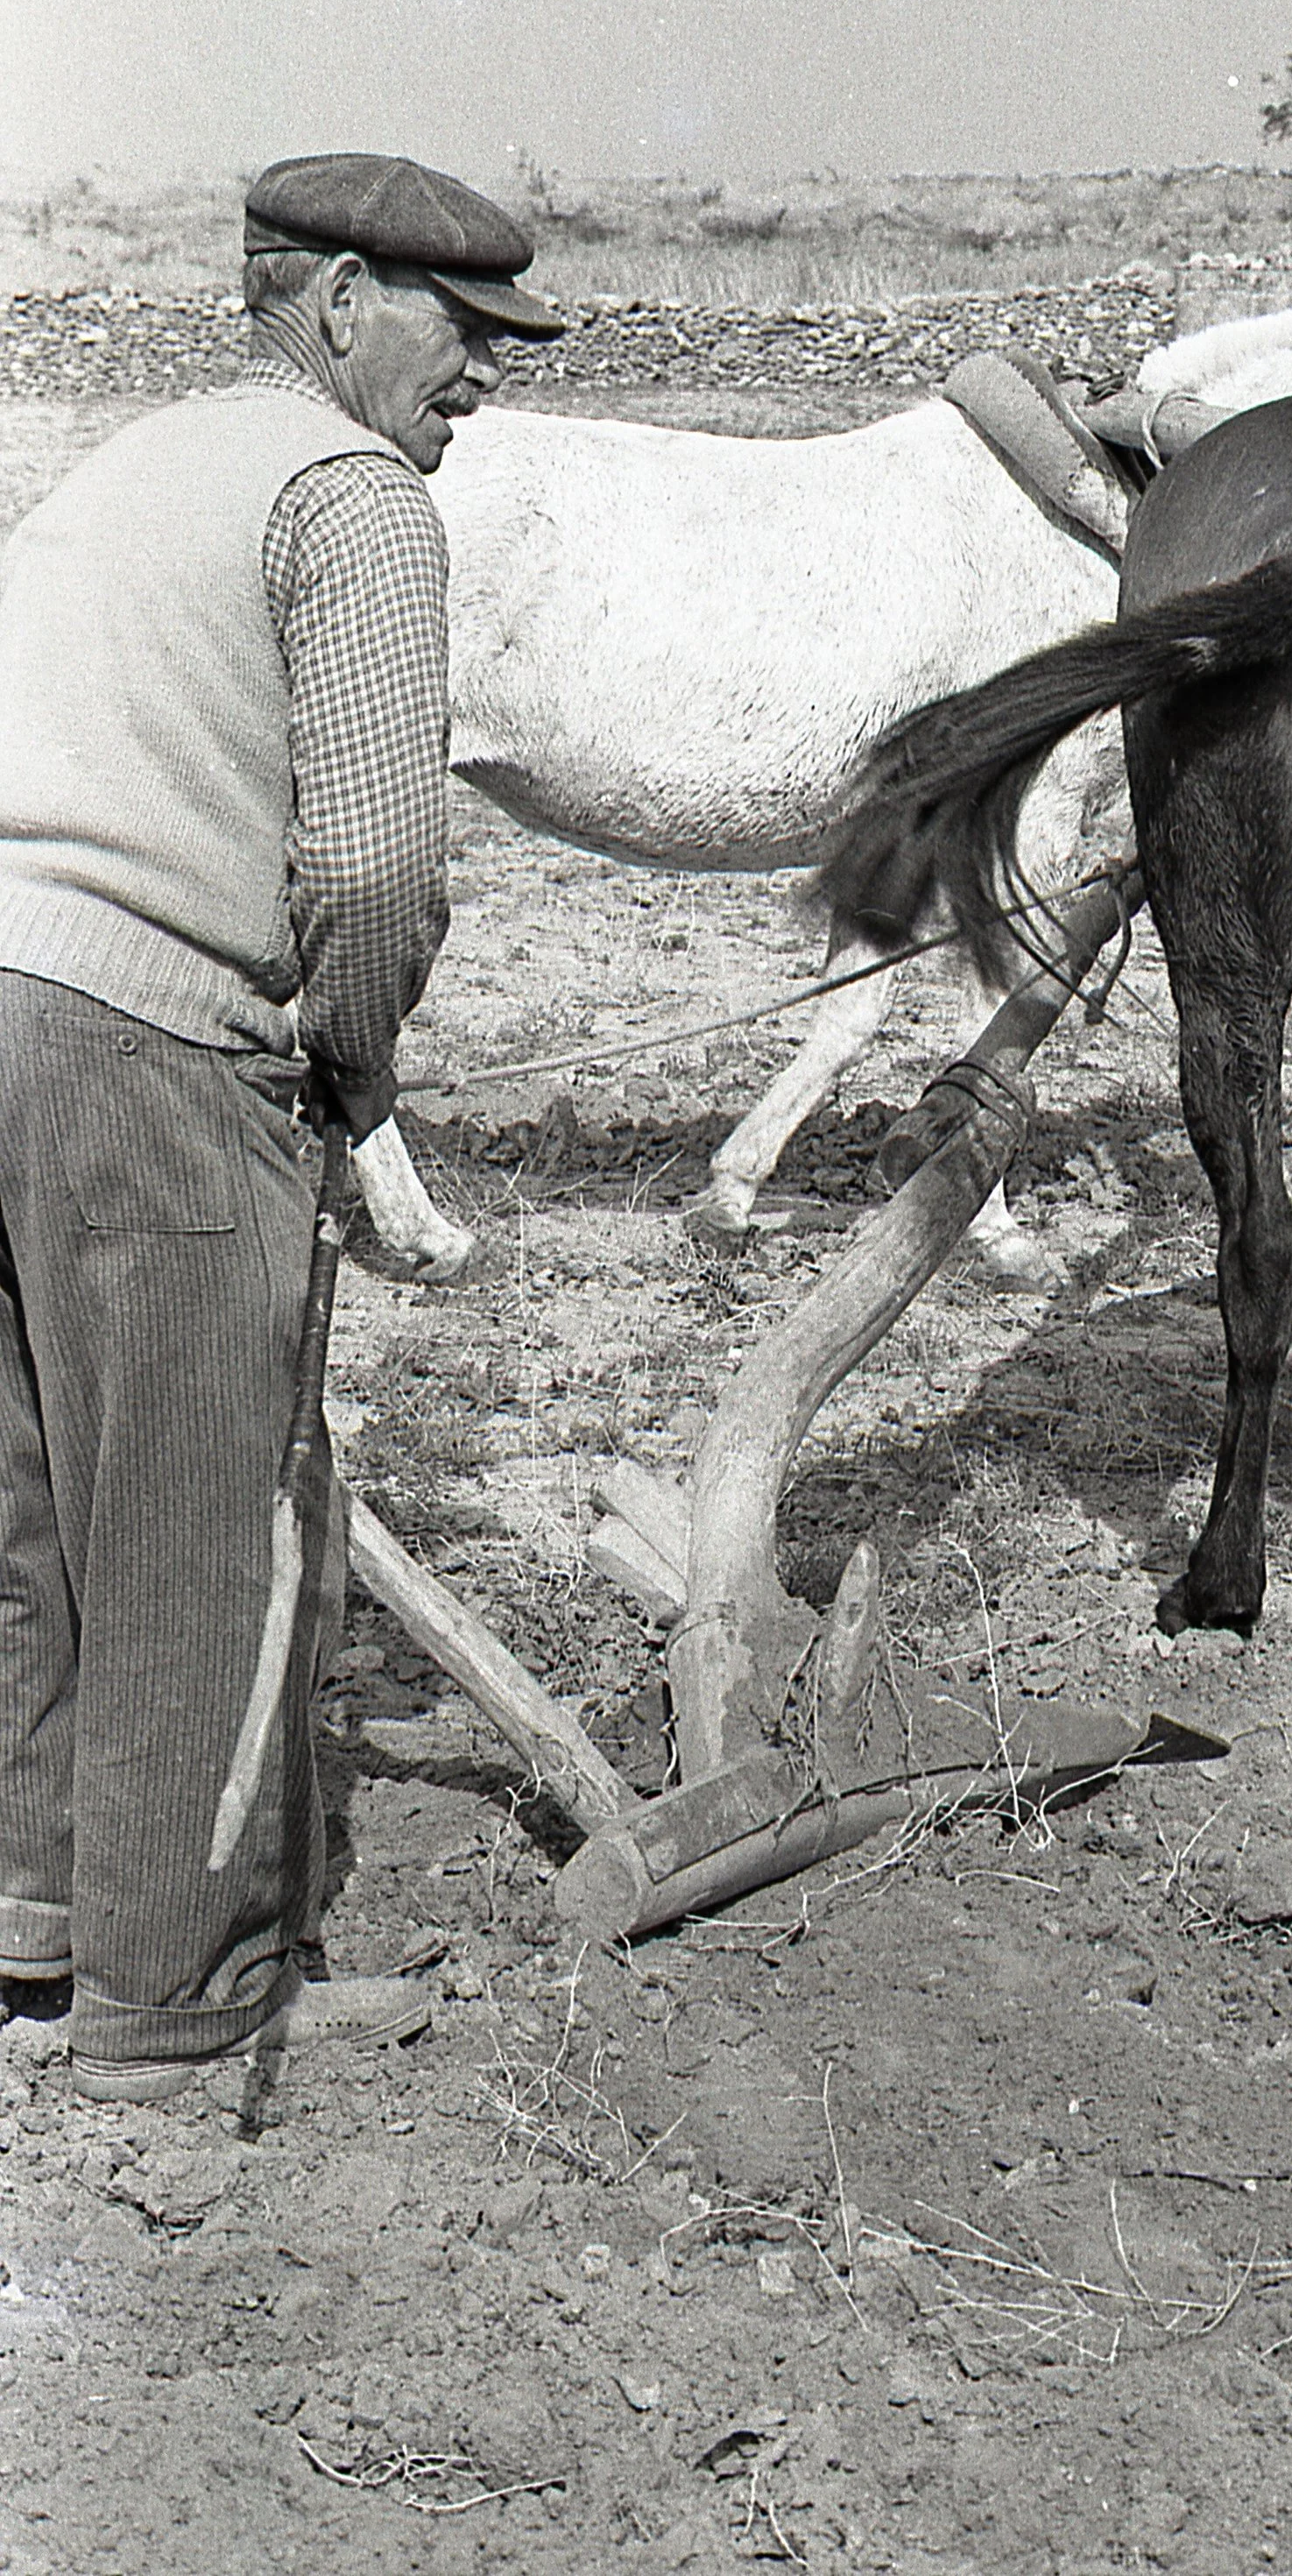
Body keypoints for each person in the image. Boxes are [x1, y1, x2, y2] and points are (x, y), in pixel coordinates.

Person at [0, 151, 564, 2104]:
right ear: (334, 302)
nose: (485, 371)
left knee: (41, 1503)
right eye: (460, 326)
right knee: (204, 1524)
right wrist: (350, 1061)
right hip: (158, 1047)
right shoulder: (356, 499)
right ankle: (183, 2009)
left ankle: (37, 1918)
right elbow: (387, 862)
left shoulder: (129, 463)